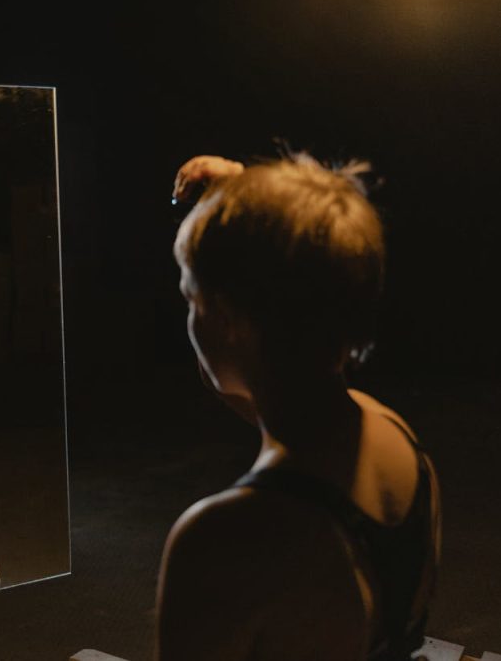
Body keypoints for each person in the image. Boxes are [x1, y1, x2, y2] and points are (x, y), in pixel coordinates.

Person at [158, 155, 441, 660]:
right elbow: (246, 386)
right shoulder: (395, 439)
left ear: (228, 322)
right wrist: (247, 209)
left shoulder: (220, 540)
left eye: (190, 298)